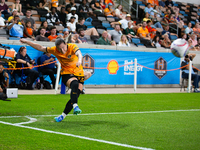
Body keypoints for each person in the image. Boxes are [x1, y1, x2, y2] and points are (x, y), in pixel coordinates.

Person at [19, 38, 86, 121]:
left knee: (76, 95)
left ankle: (62, 116)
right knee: (75, 84)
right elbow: (40, 47)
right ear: (56, 48)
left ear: (66, 44)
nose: (62, 50)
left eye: (63, 47)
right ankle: (75, 106)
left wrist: (79, 61)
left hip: (79, 74)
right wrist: (26, 41)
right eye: (59, 49)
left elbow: (79, 54)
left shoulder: (72, 47)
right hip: (67, 74)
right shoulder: (54, 50)